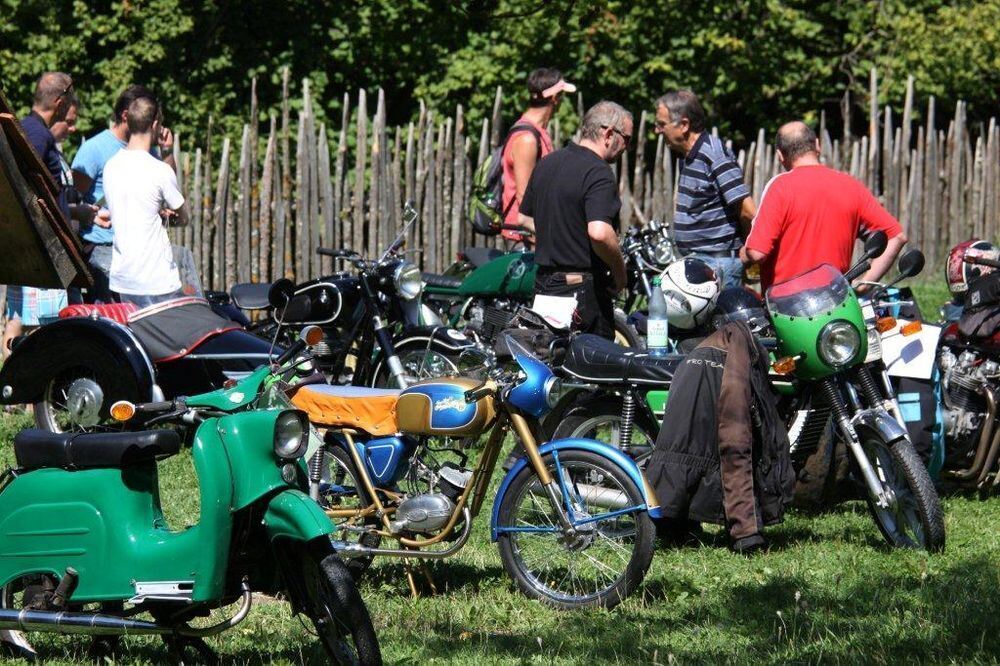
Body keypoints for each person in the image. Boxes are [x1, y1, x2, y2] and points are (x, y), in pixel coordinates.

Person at [740, 121, 906, 291]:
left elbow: (757, 253)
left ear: (780, 155)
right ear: (817, 145)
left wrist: (742, 254)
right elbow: (896, 237)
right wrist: (864, 285)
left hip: (786, 309)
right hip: (836, 304)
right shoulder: (850, 186)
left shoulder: (779, 187)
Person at [518, 101, 631, 339]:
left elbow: (523, 218)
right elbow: (599, 232)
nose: (626, 147)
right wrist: (620, 272)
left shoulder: (547, 163)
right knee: (594, 371)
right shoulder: (598, 172)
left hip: (543, 286)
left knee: (549, 361)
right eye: (627, 139)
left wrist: (560, 237)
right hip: (582, 293)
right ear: (609, 134)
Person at [71, 85, 174, 303]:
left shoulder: (149, 149)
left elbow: (168, 188)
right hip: (104, 249)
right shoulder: (94, 149)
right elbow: (73, 197)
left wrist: (166, 152)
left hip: (140, 252)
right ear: (127, 115)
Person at [655, 90, 755, 289]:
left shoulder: (714, 155)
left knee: (722, 321)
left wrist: (748, 252)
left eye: (661, 124)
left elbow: (748, 210)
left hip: (719, 264)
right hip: (701, 261)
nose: (657, 131)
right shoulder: (688, 156)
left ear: (684, 125)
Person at [103, 96, 187, 308]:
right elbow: (183, 217)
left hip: (122, 279)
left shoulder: (110, 167)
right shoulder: (160, 170)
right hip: (157, 281)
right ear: (156, 124)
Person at [500, 68, 575, 245]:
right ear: (555, 98)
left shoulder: (537, 132)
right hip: (524, 237)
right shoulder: (527, 139)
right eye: (562, 96)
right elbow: (524, 197)